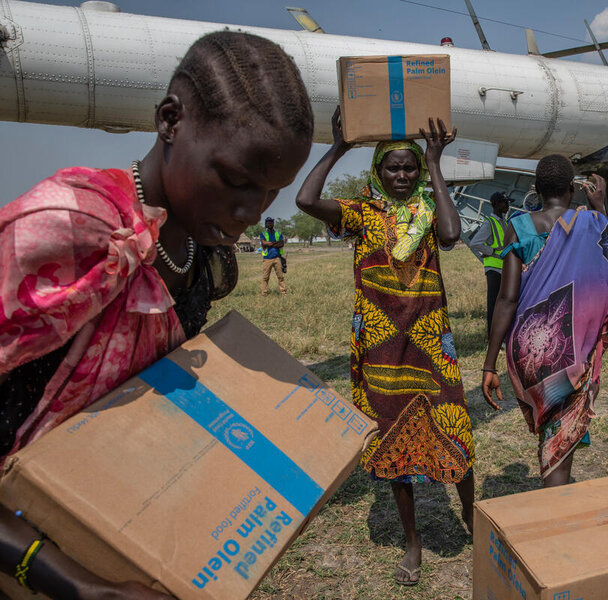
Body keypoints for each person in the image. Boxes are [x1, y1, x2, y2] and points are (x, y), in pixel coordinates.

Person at [0, 31, 314, 598]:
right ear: (170, 120)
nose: (250, 213)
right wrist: (76, 584)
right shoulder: (65, 235)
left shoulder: (201, 250)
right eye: (236, 180)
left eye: (271, 193)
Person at [295, 108, 473, 586]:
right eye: (392, 167)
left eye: (409, 167)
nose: (401, 175)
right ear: (378, 170)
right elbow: (306, 200)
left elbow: (453, 236)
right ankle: (413, 543)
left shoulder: (430, 210)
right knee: (393, 437)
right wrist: (337, 148)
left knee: (454, 425)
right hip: (380, 345)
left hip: (431, 342)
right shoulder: (361, 213)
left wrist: (436, 164)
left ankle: (473, 519)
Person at [481, 155, 608, 487]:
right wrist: (601, 209)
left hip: (530, 349)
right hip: (571, 348)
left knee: (553, 431)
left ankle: (556, 494)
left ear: (537, 189)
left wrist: (490, 364)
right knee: (558, 443)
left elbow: (507, 299)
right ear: (572, 188)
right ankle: (554, 514)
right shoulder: (593, 223)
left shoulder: (518, 227)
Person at [467, 192, 509, 337]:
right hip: (494, 268)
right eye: (504, 202)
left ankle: (501, 335)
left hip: (503, 268)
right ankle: (492, 336)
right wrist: (491, 251)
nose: (507, 205)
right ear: (496, 204)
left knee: (501, 303)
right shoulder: (490, 223)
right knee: (494, 304)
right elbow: (475, 242)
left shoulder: (504, 222)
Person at [260, 216, 287, 295]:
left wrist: (270, 244)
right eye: (268, 222)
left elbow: (281, 244)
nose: (270, 223)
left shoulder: (278, 233)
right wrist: (275, 243)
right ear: (266, 224)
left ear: (273, 223)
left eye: (271, 222)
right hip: (267, 259)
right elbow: (264, 243)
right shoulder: (263, 234)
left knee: (280, 276)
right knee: (265, 277)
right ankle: (264, 293)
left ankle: (283, 292)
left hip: (277, 258)